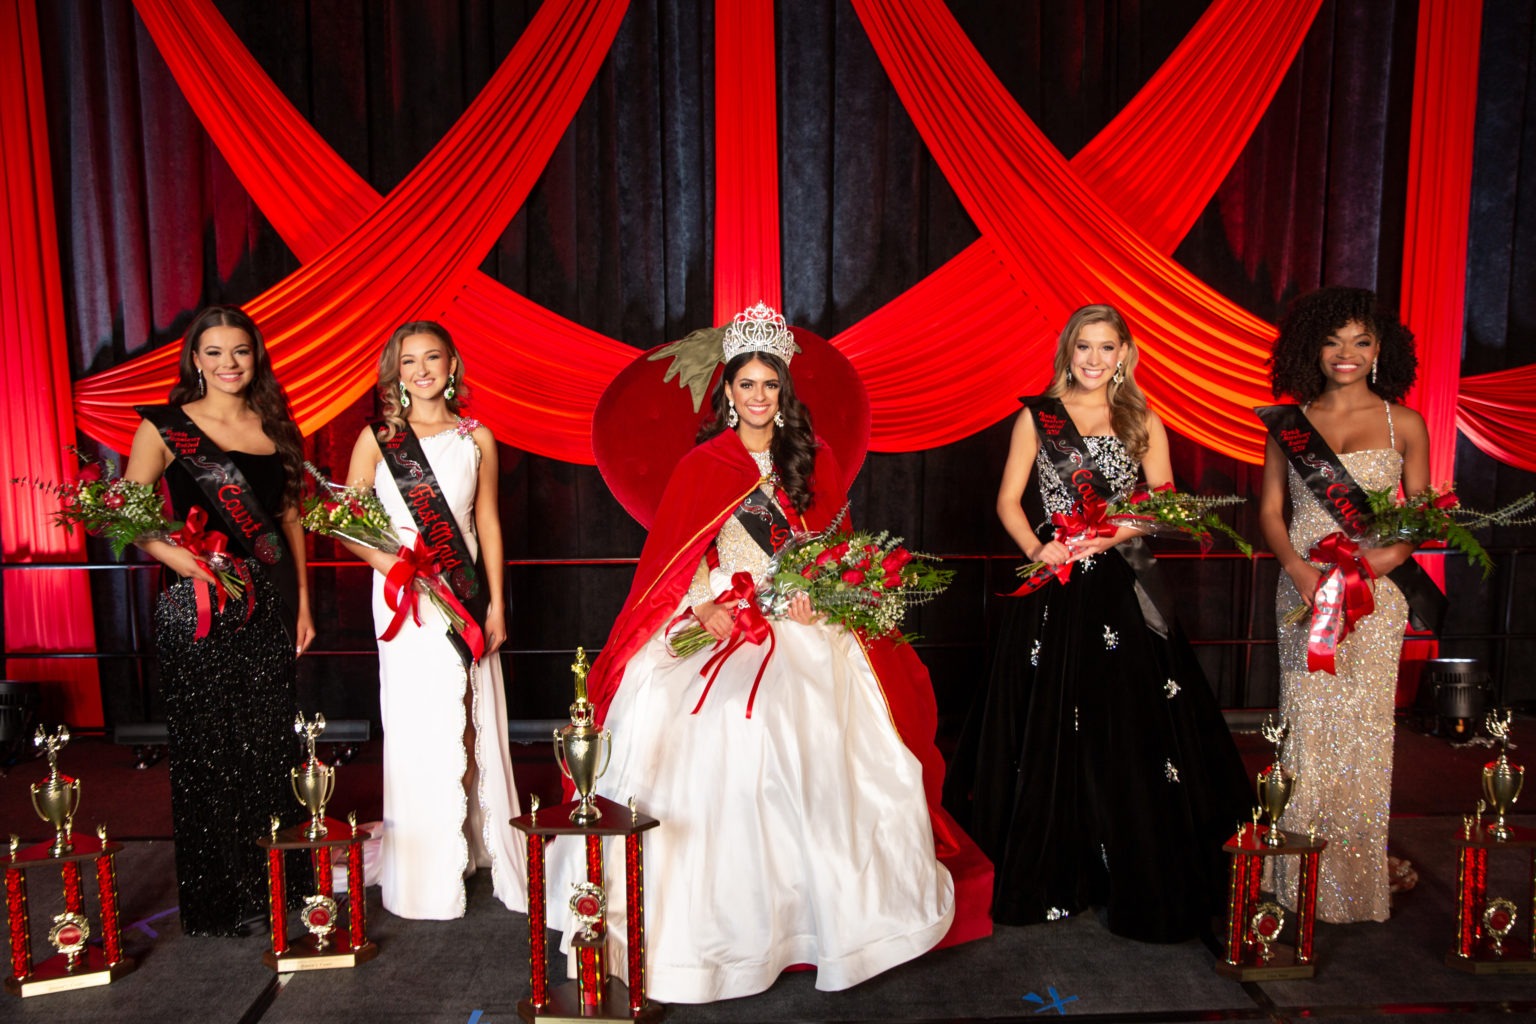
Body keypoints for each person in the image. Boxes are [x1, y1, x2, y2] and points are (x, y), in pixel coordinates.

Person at [548, 303, 955, 1003]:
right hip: (724, 617)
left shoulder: (814, 458)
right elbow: (683, 559)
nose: (759, 397)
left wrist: (821, 595)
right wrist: (705, 602)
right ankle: (715, 932)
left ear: (783, 392)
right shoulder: (703, 466)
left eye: (770, 385)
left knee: (808, 718)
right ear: (727, 392)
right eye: (747, 385)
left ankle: (827, 915)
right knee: (713, 719)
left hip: (803, 622)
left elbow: (835, 555)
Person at [944, 303, 1251, 943]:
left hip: (1118, 588)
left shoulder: (1142, 420)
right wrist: (1039, 548)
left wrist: (1102, 540)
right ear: (1068, 351)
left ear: (1124, 355)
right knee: (1049, 722)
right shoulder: (1038, 417)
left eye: (1105, 348)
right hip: (1052, 585)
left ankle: (1126, 865)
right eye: (1083, 346)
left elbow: (1164, 507)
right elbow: (1007, 501)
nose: (1093, 359)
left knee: (1128, 723)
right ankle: (1056, 863)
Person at [124, 305, 315, 936]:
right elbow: (125, 513)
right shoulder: (165, 428)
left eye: (240, 351)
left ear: (256, 357)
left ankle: (280, 890)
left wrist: (304, 605)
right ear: (194, 360)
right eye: (214, 352)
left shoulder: (276, 427)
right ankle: (220, 900)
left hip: (265, 601)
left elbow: (289, 521)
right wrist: (179, 558)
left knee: (266, 745)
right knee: (208, 751)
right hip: (196, 603)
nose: (228, 363)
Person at [341, 321, 525, 919]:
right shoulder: (376, 438)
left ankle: (475, 847)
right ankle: (425, 872)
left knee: (472, 720)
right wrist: (397, 567)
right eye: (408, 360)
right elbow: (348, 520)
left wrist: (496, 602)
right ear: (395, 371)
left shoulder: (478, 438)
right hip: (403, 598)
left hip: (465, 593)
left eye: (433, 358)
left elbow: (488, 523)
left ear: (452, 365)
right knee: (419, 720)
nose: (421, 370)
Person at [1258, 287, 1429, 922]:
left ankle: (1353, 882)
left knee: (1364, 734)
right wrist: (1302, 571)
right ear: (1313, 350)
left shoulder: (1403, 423)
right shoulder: (1290, 424)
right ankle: (1298, 876)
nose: (1346, 353)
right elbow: (1272, 513)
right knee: (1307, 729)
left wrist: (1371, 565)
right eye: (1333, 341)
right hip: (1303, 594)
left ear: (1380, 349)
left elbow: (1420, 519)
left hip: (1375, 599)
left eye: (1360, 341)